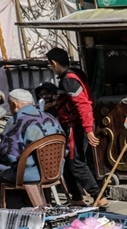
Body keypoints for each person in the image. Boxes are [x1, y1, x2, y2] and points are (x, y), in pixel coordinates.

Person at [45, 47, 105, 207]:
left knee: (76, 162)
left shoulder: (69, 79)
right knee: (70, 162)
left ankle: (98, 195)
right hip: (75, 124)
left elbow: (83, 104)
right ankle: (76, 197)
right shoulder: (75, 74)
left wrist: (88, 129)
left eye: (50, 65)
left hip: (76, 125)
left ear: (54, 63)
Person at [0, 89, 63, 204]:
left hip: (30, 175)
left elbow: (7, 154)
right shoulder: (50, 117)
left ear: (14, 104)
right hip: (56, 171)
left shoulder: (15, 121)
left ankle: (5, 201)